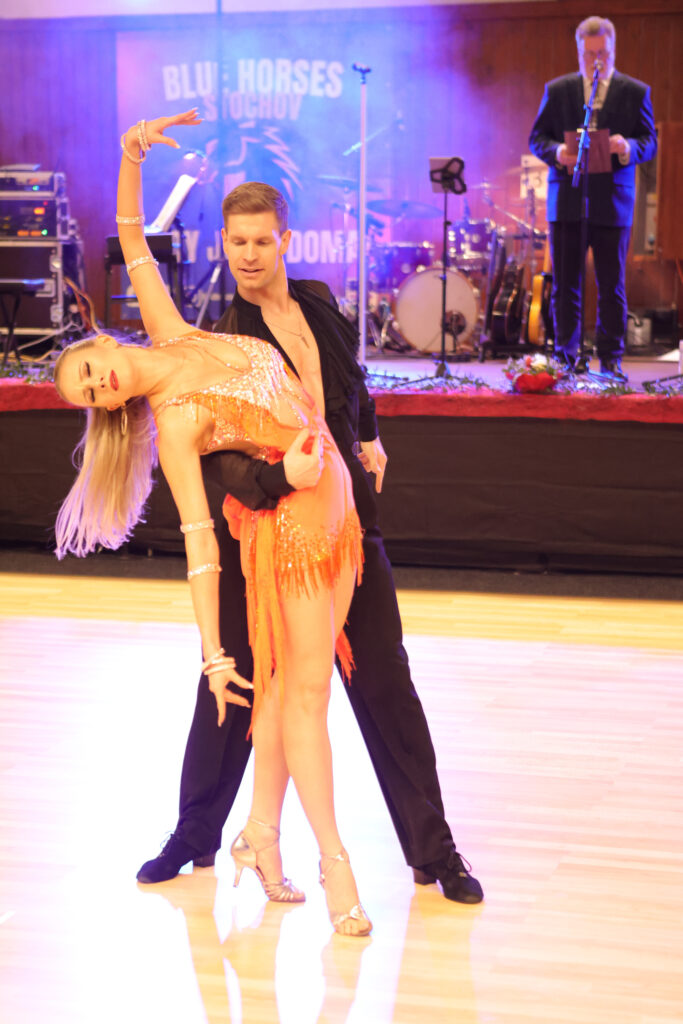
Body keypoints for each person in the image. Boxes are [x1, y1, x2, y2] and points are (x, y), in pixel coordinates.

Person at [55, 109, 373, 937]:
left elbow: (131, 235)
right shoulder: (174, 426)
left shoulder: (175, 332)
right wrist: (210, 651)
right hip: (290, 529)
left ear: (99, 342)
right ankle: (336, 866)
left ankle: (258, 835)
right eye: (89, 394)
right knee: (306, 695)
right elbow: (200, 544)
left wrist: (129, 153)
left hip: (337, 504)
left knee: (286, 694)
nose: (97, 385)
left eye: (88, 369)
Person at [135, 184, 484, 902]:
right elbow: (217, 458)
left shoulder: (318, 302)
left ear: (284, 241)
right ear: (224, 244)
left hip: (347, 517)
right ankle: (196, 834)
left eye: (261, 241)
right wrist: (278, 480)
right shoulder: (225, 338)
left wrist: (369, 434)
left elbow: (352, 378)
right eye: (237, 242)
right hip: (269, 532)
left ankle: (434, 851)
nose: (249, 255)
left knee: (385, 679)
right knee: (237, 680)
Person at [528, 15, 657, 379]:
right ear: (579, 52)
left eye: (603, 53)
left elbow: (650, 141)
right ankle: (566, 359)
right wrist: (558, 153)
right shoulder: (558, 90)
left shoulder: (635, 91)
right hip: (568, 197)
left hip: (613, 200)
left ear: (613, 50)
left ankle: (611, 360)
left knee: (611, 285)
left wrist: (627, 146)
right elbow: (537, 138)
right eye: (589, 54)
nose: (596, 60)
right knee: (565, 284)